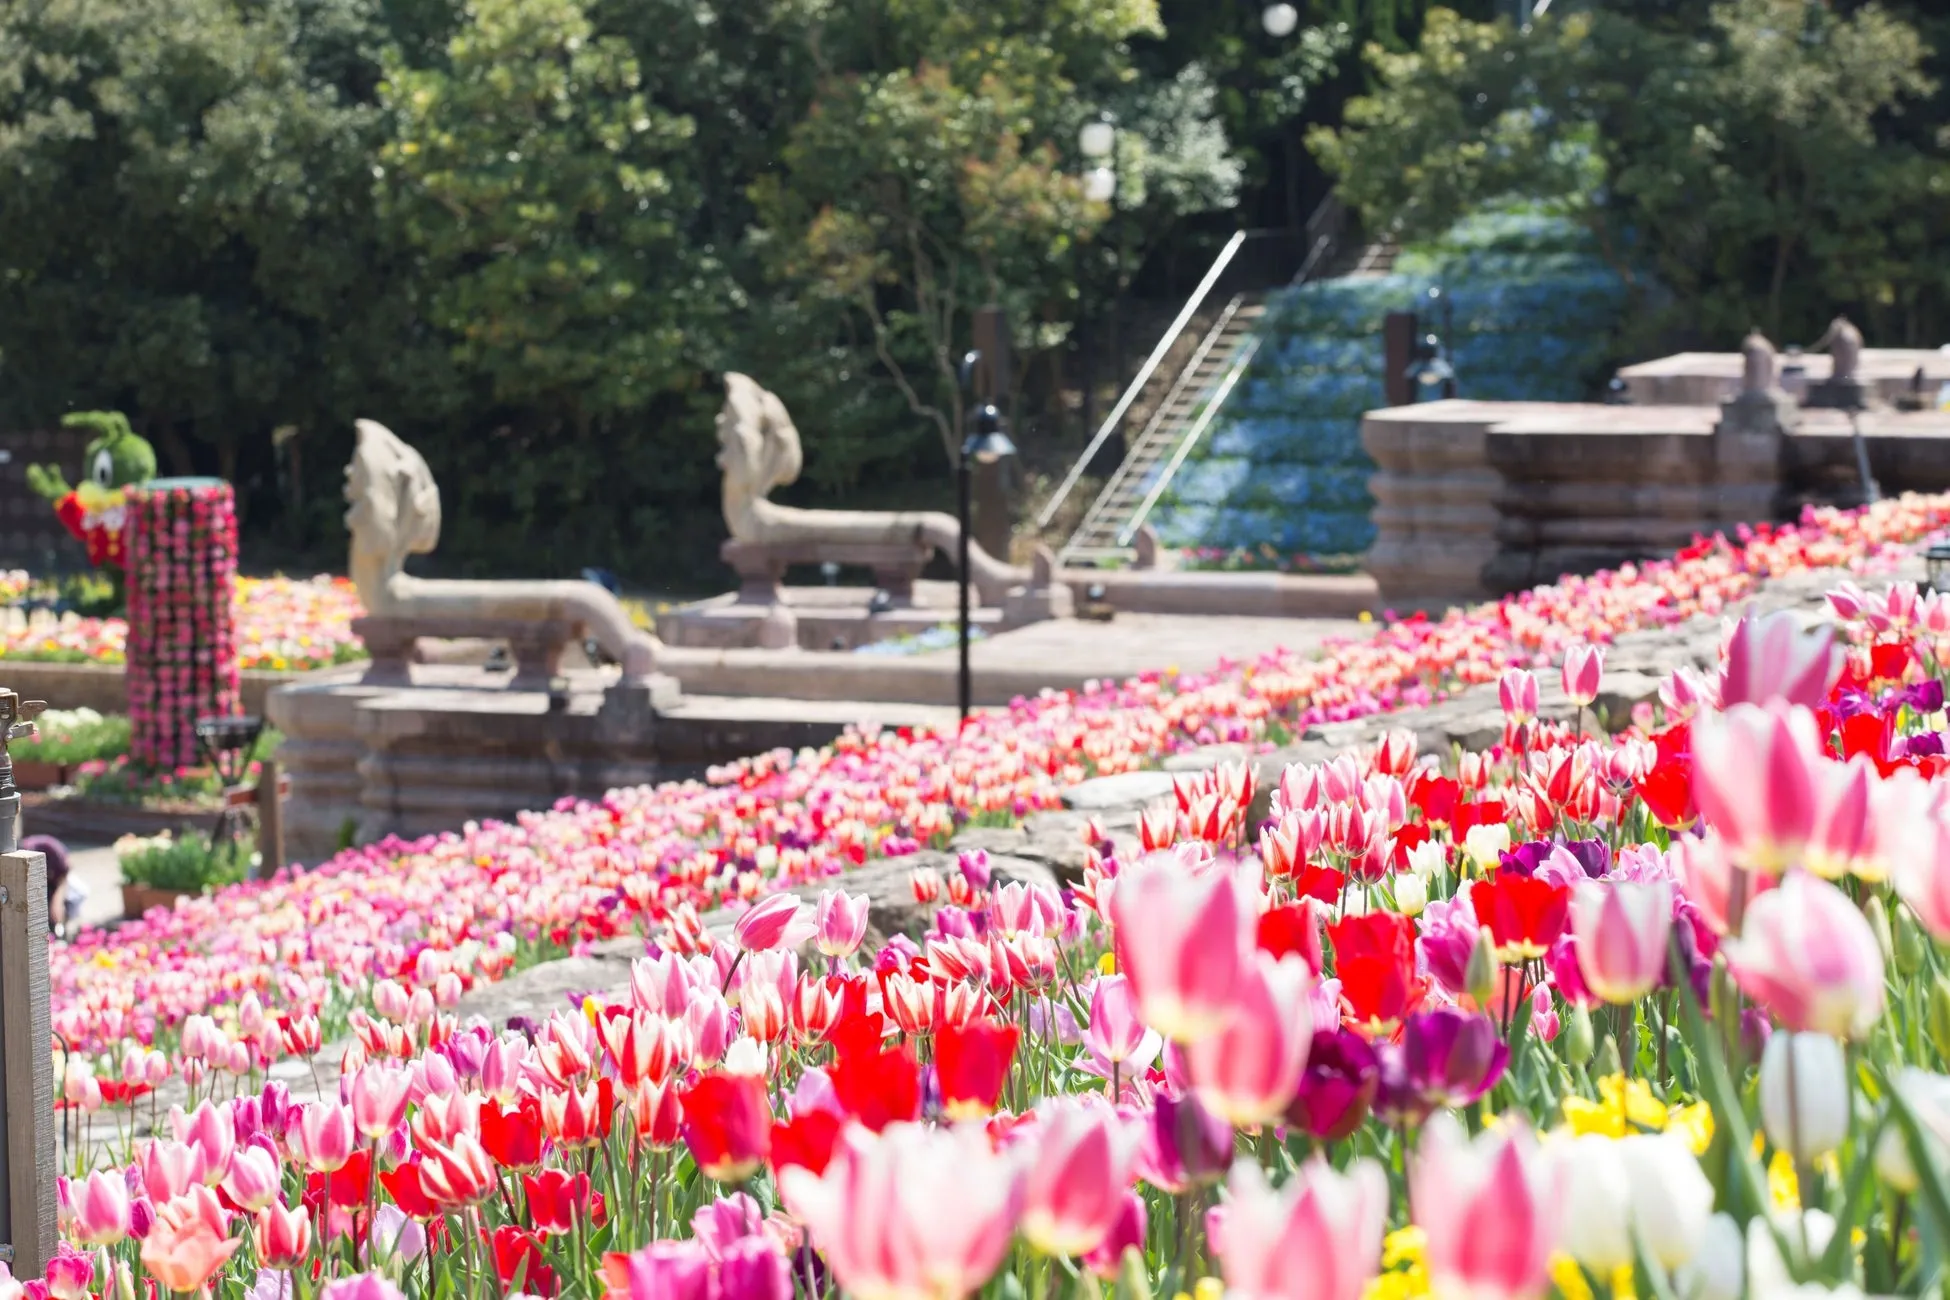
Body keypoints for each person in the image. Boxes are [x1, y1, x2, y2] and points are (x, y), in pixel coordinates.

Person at [20, 834, 84, 938]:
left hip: (60, 882)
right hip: (41, 886)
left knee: (72, 899)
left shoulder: (48, 847)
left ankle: (65, 928)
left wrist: (58, 901)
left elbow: (66, 870)